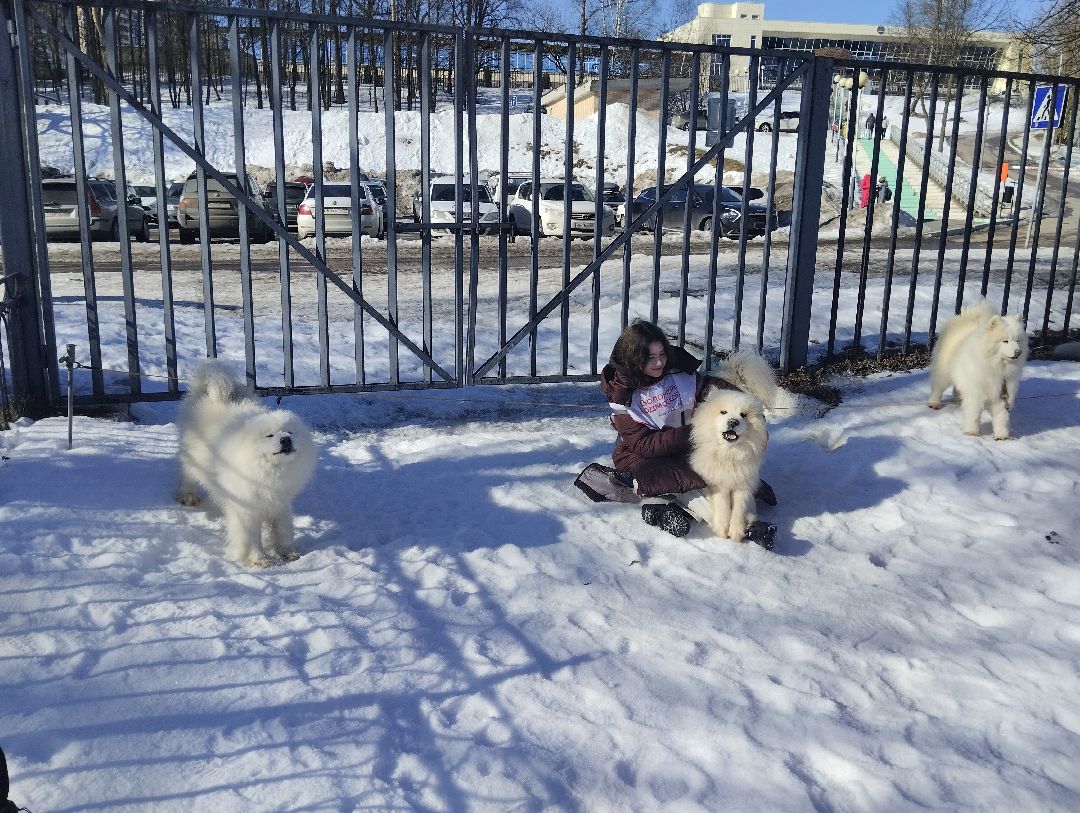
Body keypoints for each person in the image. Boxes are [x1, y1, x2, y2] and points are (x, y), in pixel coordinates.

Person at [599, 320, 776, 537]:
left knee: (732, 480)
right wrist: (698, 431)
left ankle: (681, 509)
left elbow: (718, 392)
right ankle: (744, 527)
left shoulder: (677, 373)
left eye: (662, 354)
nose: (659, 362)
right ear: (634, 359)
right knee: (696, 483)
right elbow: (643, 445)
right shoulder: (622, 395)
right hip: (642, 458)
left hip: (685, 446)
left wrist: (753, 417)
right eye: (650, 357)